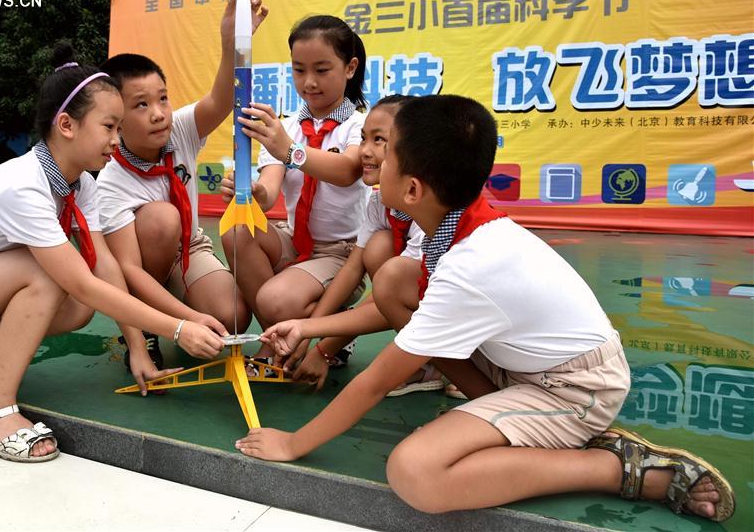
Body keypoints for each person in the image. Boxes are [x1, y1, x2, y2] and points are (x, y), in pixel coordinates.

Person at [236, 95, 735, 523]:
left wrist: (294, 444)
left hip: (575, 388)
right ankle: (507, 420)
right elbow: (395, 314)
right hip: (528, 368)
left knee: (416, 473)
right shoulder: (458, 225)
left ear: (413, 190)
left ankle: (622, 470)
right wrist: (308, 326)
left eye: (385, 151)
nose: (369, 157)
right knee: (398, 284)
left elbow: (377, 380)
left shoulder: (470, 265)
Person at [0, 46, 225, 463]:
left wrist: (138, 345)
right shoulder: (26, 186)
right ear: (66, 125)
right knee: (49, 278)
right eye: (109, 126)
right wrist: (179, 328)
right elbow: (80, 277)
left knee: (78, 305)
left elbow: (105, 266)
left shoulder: (81, 185)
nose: (117, 140)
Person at [96, 0, 267, 371]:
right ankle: (146, 327)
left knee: (233, 318)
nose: (159, 114)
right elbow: (129, 272)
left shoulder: (181, 130)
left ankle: (178, 308)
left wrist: (232, 44)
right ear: (115, 117)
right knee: (161, 218)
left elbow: (222, 100)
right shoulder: (110, 183)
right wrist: (179, 325)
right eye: (141, 105)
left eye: (163, 98)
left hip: (189, 249)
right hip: (147, 263)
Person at [220, 15, 370, 372]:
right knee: (235, 230)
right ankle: (279, 342)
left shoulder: (359, 125)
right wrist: (251, 192)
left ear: (350, 68)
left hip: (341, 253)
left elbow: (348, 171)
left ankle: (334, 324)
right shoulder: (285, 128)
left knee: (274, 298)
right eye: (299, 70)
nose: (309, 82)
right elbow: (269, 193)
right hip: (295, 241)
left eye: (322, 69)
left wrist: (291, 151)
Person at [270, 94, 446, 396]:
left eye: (380, 140)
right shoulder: (381, 202)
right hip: (434, 302)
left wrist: (321, 346)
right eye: (364, 138)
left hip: (474, 320)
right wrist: (305, 333)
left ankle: (454, 360)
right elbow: (353, 269)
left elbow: (389, 298)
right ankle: (428, 359)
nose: (364, 151)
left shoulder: (431, 210)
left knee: (393, 271)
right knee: (379, 247)